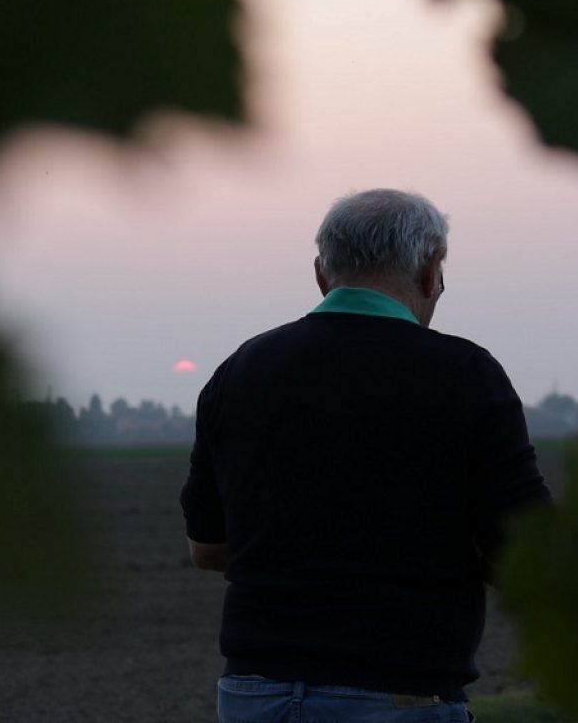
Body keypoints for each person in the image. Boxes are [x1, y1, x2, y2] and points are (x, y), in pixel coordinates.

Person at [180, 188, 550, 722]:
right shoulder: (466, 376)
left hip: (255, 694)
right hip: (400, 691)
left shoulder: (241, 371)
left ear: (320, 274)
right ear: (430, 271)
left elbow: (207, 549)